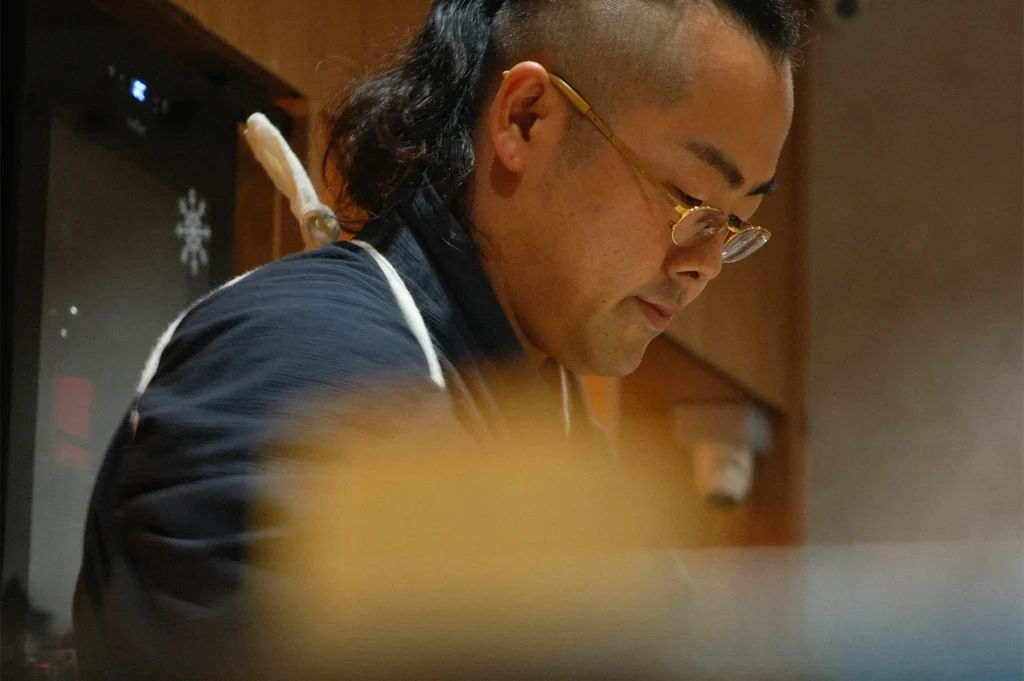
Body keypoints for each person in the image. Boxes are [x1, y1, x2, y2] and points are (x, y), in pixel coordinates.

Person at [73, 0, 802, 679]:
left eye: (735, 223)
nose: (705, 261)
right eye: (693, 199)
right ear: (523, 120)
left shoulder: (548, 419)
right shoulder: (315, 366)